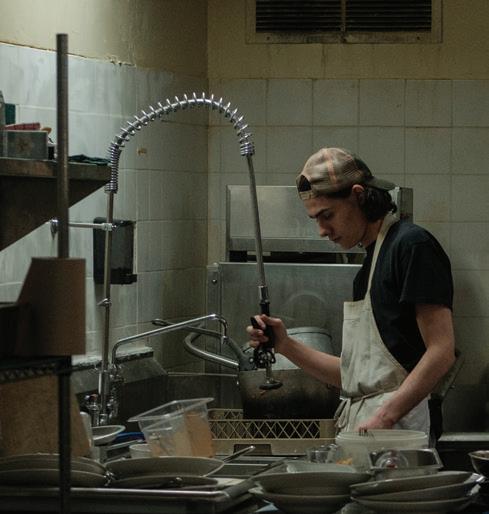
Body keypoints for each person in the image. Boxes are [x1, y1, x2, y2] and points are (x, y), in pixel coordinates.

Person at [247, 147, 456, 439]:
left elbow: (441, 352)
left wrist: (385, 417)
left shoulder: (411, 246)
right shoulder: (368, 269)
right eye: (315, 219)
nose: (322, 230)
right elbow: (352, 376)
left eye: (327, 215)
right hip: (367, 428)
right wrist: (285, 345)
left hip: (400, 432)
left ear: (358, 195)